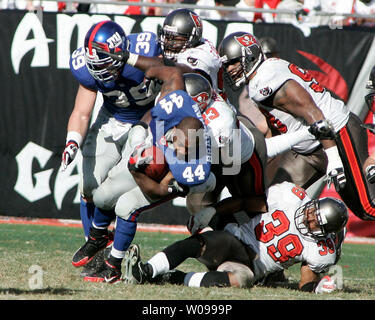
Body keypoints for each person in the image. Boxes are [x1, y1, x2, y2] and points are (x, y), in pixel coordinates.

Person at [218, 31, 375, 222]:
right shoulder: (262, 77)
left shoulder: (265, 80)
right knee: (272, 204)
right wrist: (255, 159)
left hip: (337, 133)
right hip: (308, 149)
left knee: (368, 207)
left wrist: (333, 158)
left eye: (233, 62)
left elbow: (314, 113)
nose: (230, 69)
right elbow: (277, 125)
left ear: (250, 55)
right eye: (226, 65)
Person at [61, 21, 162, 273]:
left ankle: (116, 257)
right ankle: (94, 245)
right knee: (88, 185)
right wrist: (72, 141)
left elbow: (172, 79)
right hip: (112, 119)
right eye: (94, 64)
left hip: (147, 121)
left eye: (104, 63)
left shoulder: (147, 49)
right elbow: (82, 112)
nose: (98, 70)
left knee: (115, 192)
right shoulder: (87, 69)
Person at [123, 181, 348, 293]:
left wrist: (317, 288)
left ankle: (169, 278)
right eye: (311, 211)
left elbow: (305, 284)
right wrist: (212, 212)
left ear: (325, 233)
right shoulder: (291, 197)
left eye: (314, 221)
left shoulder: (321, 252)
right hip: (238, 239)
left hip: (251, 266)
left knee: (242, 280)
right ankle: (145, 271)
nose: (307, 217)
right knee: (205, 243)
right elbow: (245, 202)